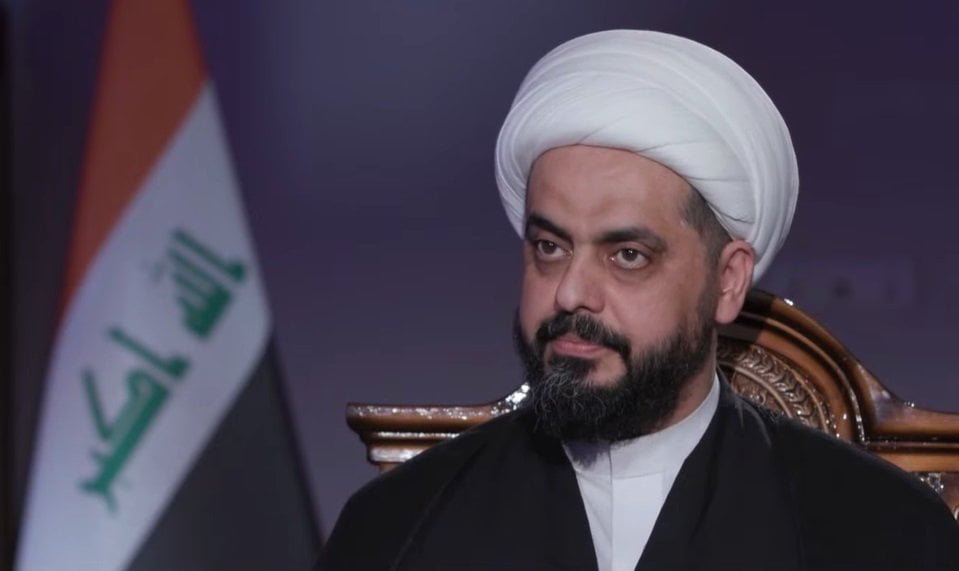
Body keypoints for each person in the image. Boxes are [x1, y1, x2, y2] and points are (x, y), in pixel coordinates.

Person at [317, 30, 959, 571]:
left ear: (727, 281)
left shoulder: (882, 532)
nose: (571, 292)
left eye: (627, 255)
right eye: (550, 247)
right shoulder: (398, 527)